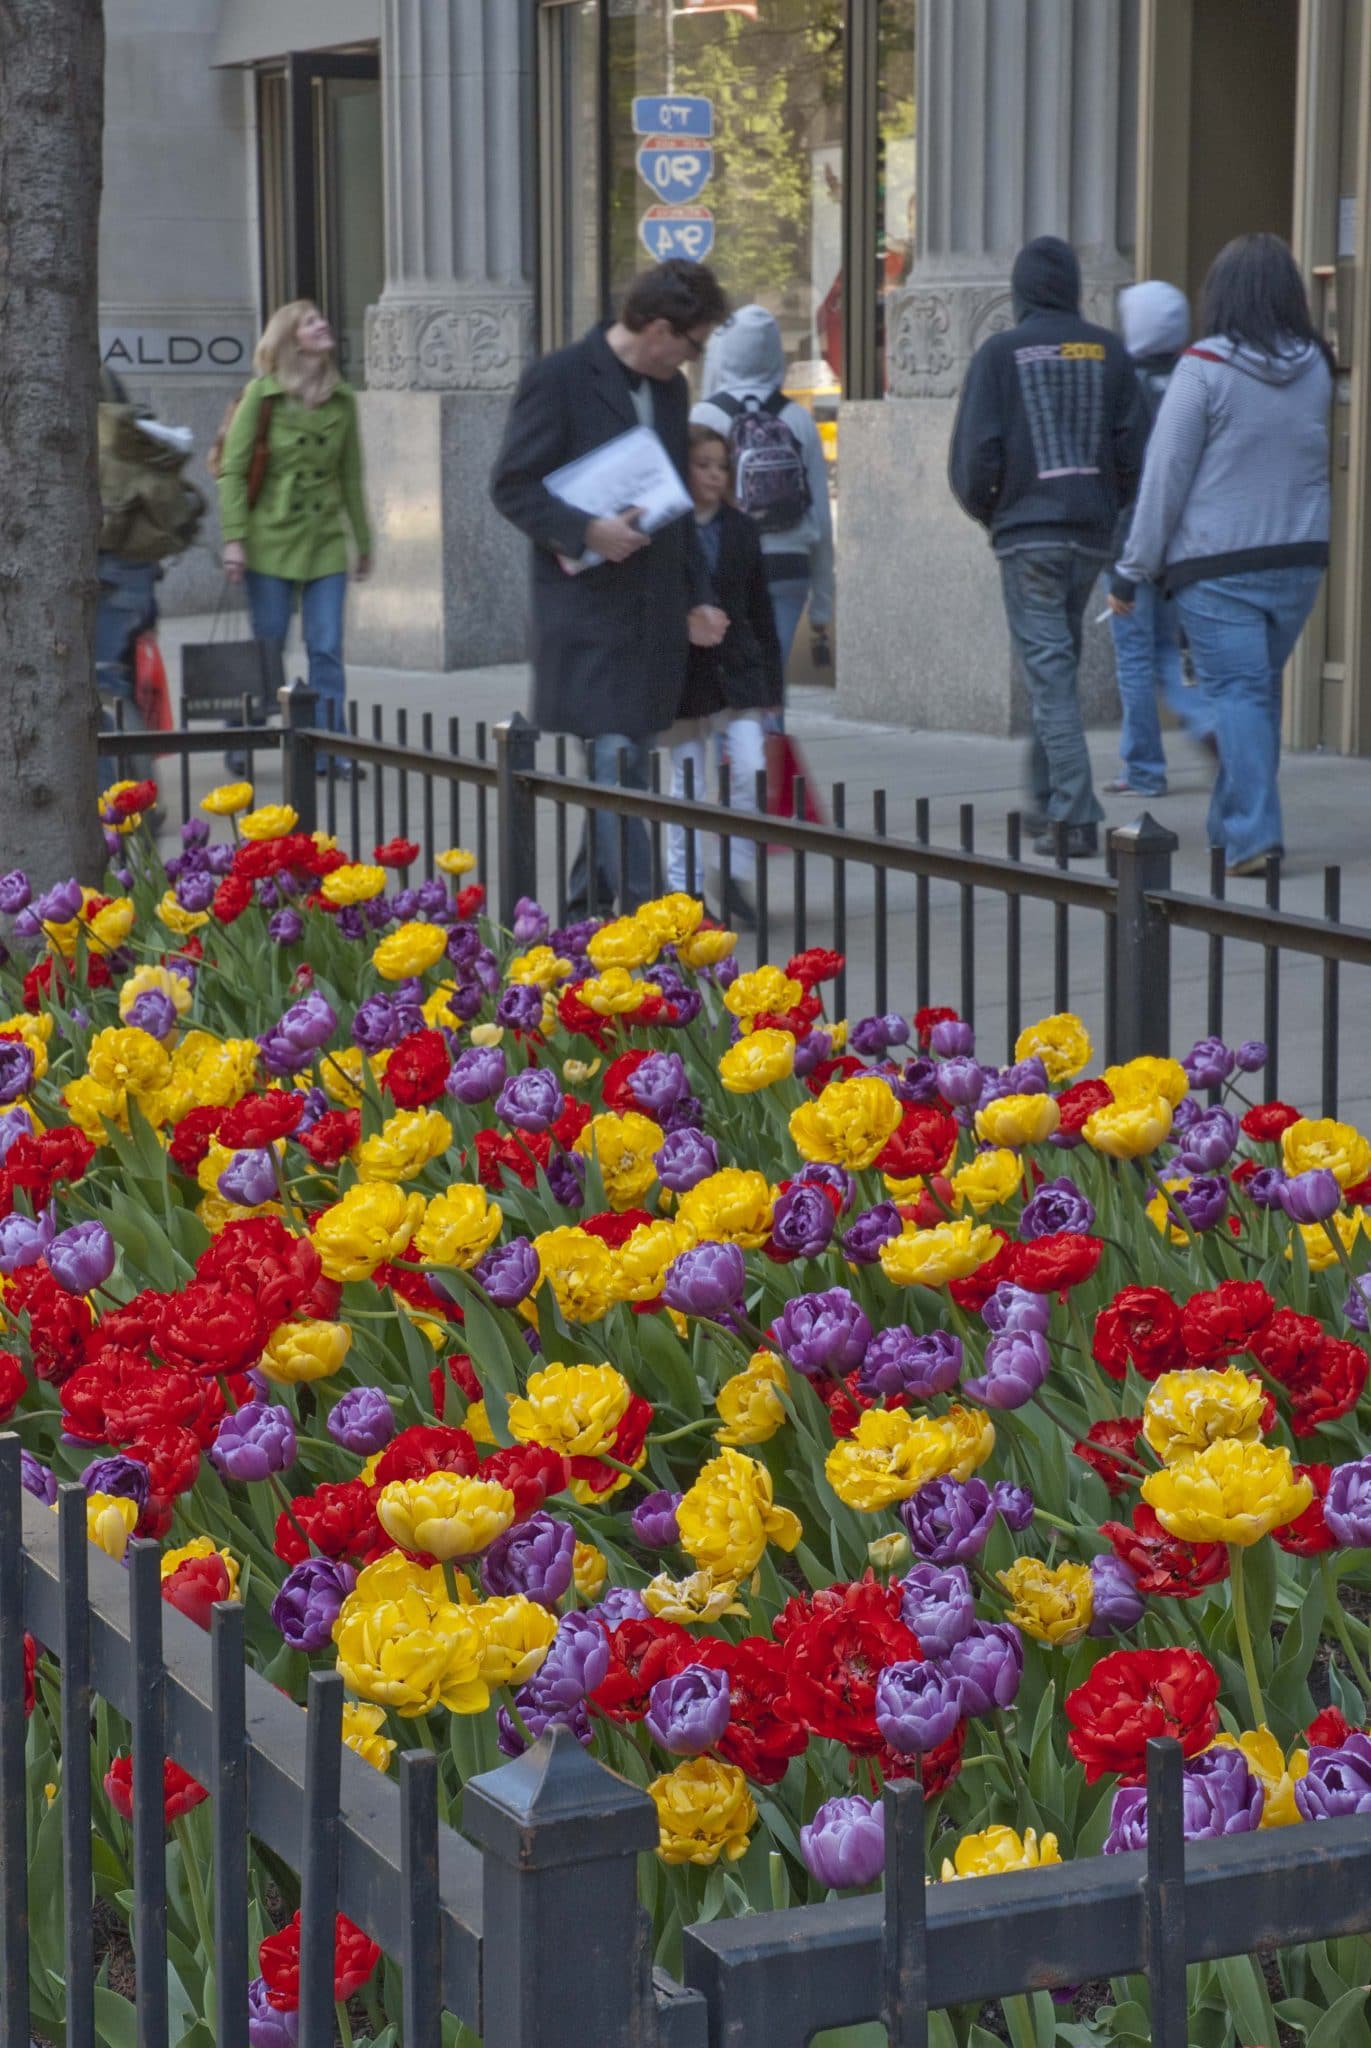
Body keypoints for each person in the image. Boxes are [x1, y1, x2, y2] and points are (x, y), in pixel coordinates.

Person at [490, 260, 730, 916]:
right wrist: (585, 531)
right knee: (618, 762)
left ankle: (577, 909)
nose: (693, 356)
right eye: (692, 342)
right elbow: (511, 485)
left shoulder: (672, 389)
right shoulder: (559, 377)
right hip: (587, 613)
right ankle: (658, 917)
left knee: (616, 764)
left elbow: (673, 504)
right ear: (657, 329)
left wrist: (699, 594)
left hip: (652, 612)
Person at [1110, 234, 1332, 877]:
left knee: (1239, 695)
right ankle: (1227, 824)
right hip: (1298, 560)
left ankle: (1254, 836)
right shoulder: (1315, 365)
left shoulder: (1202, 366)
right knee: (1254, 696)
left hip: (1218, 566)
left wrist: (1134, 566)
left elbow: (1165, 477)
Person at [949, 235, 1148, 858]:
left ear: (1019, 290)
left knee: (1051, 674)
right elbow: (1135, 454)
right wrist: (1109, 512)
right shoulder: (1109, 351)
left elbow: (972, 457)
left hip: (1027, 533)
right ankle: (1046, 794)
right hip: (1089, 535)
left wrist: (995, 511)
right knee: (1053, 664)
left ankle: (1074, 813)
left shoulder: (1001, 353)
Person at [216, 300, 372, 776]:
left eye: (322, 318)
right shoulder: (261, 397)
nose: (322, 324)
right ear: (290, 339)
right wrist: (235, 539)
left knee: (325, 646)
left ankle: (330, 747)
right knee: (269, 644)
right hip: (269, 541)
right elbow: (232, 471)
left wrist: (362, 543)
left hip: (324, 540)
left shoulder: (343, 399)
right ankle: (246, 732)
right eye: (310, 321)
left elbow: (350, 478)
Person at [666, 426, 783, 927]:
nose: (714, 474)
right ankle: (684, 890)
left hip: (739, 671)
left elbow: (760, 606)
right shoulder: (668, 526)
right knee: (686, 780)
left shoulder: (741, 528)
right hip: (685, 678)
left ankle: (733, 876)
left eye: (721, 465)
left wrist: (774, 689)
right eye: (703, 464)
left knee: (749, 769)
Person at [693, 304, 834, 675]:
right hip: (789, 567)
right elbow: (820, 513)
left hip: (724, 567)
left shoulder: (703, 417)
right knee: (770, 682)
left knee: (727, 686)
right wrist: (823, 604)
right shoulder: (798, 418)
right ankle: (771, 734)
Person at [1104, 281, 1195, 796]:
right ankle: (1210, 726)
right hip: (1182, 546)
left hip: (1133, 545)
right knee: (1168, 651)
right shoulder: (1192, 378)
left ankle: (1143, 767)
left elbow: (1125, 479)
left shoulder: (1124, 387)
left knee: (1137, 656)